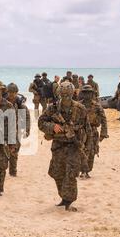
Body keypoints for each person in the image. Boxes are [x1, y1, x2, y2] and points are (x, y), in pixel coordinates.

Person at [38, 82, 88, 212]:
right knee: (57, 173)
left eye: (68, 94)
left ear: (72, 94)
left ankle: (69, 201)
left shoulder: (80, 109)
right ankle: (64, 198)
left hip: (73, 146)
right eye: (63, 94)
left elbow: (86, 128)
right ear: (59, 94)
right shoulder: (52, 108)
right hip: (58, 146)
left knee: (70, 175)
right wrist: (52, 127)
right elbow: (41, 122)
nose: (65, 97)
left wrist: (85, 146)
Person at [79, 85, 109, 178]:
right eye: (85, 93)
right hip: (81, 131)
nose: (87, 95)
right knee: (81, 150)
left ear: (92, 94)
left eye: (89, 93)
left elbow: (104, 120)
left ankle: (87, 171)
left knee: (92, 151)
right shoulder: (78, 105)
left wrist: (103, 133)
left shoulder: (97, 106)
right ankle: (83, 170)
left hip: (93, 131)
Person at [6, 83, 31, 177]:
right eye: (9, 92)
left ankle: (13, 172)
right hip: (3, 130)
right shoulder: (3, 102)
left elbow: (27, 117)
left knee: (14, 151)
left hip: (16, 130)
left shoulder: (20, 104)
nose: (11, 94)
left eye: (13, 92)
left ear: (16, 93)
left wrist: (27, 129)